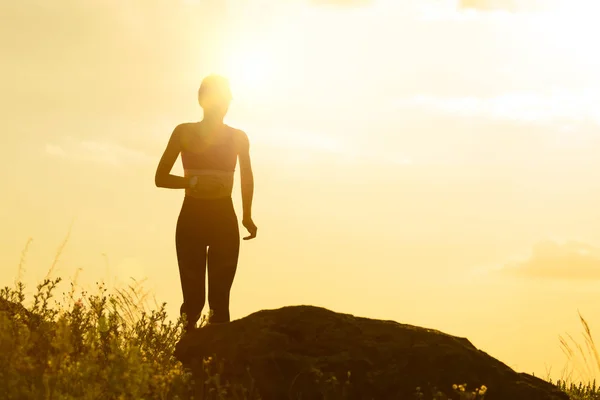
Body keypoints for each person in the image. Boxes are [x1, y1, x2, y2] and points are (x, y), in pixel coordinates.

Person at [155, 74, 257, 331]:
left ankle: (217, 365)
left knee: (220, 303)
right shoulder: (184, 132)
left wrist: (247, 215)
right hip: (193, 216)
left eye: (225, 100)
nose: (221, 106)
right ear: (202, 101)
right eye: (216, 100)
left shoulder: (238, 137)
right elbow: (160, 177)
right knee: (192, 302)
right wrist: (193, 183)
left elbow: (247, 176)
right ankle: (186, 362)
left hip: (224, 216)